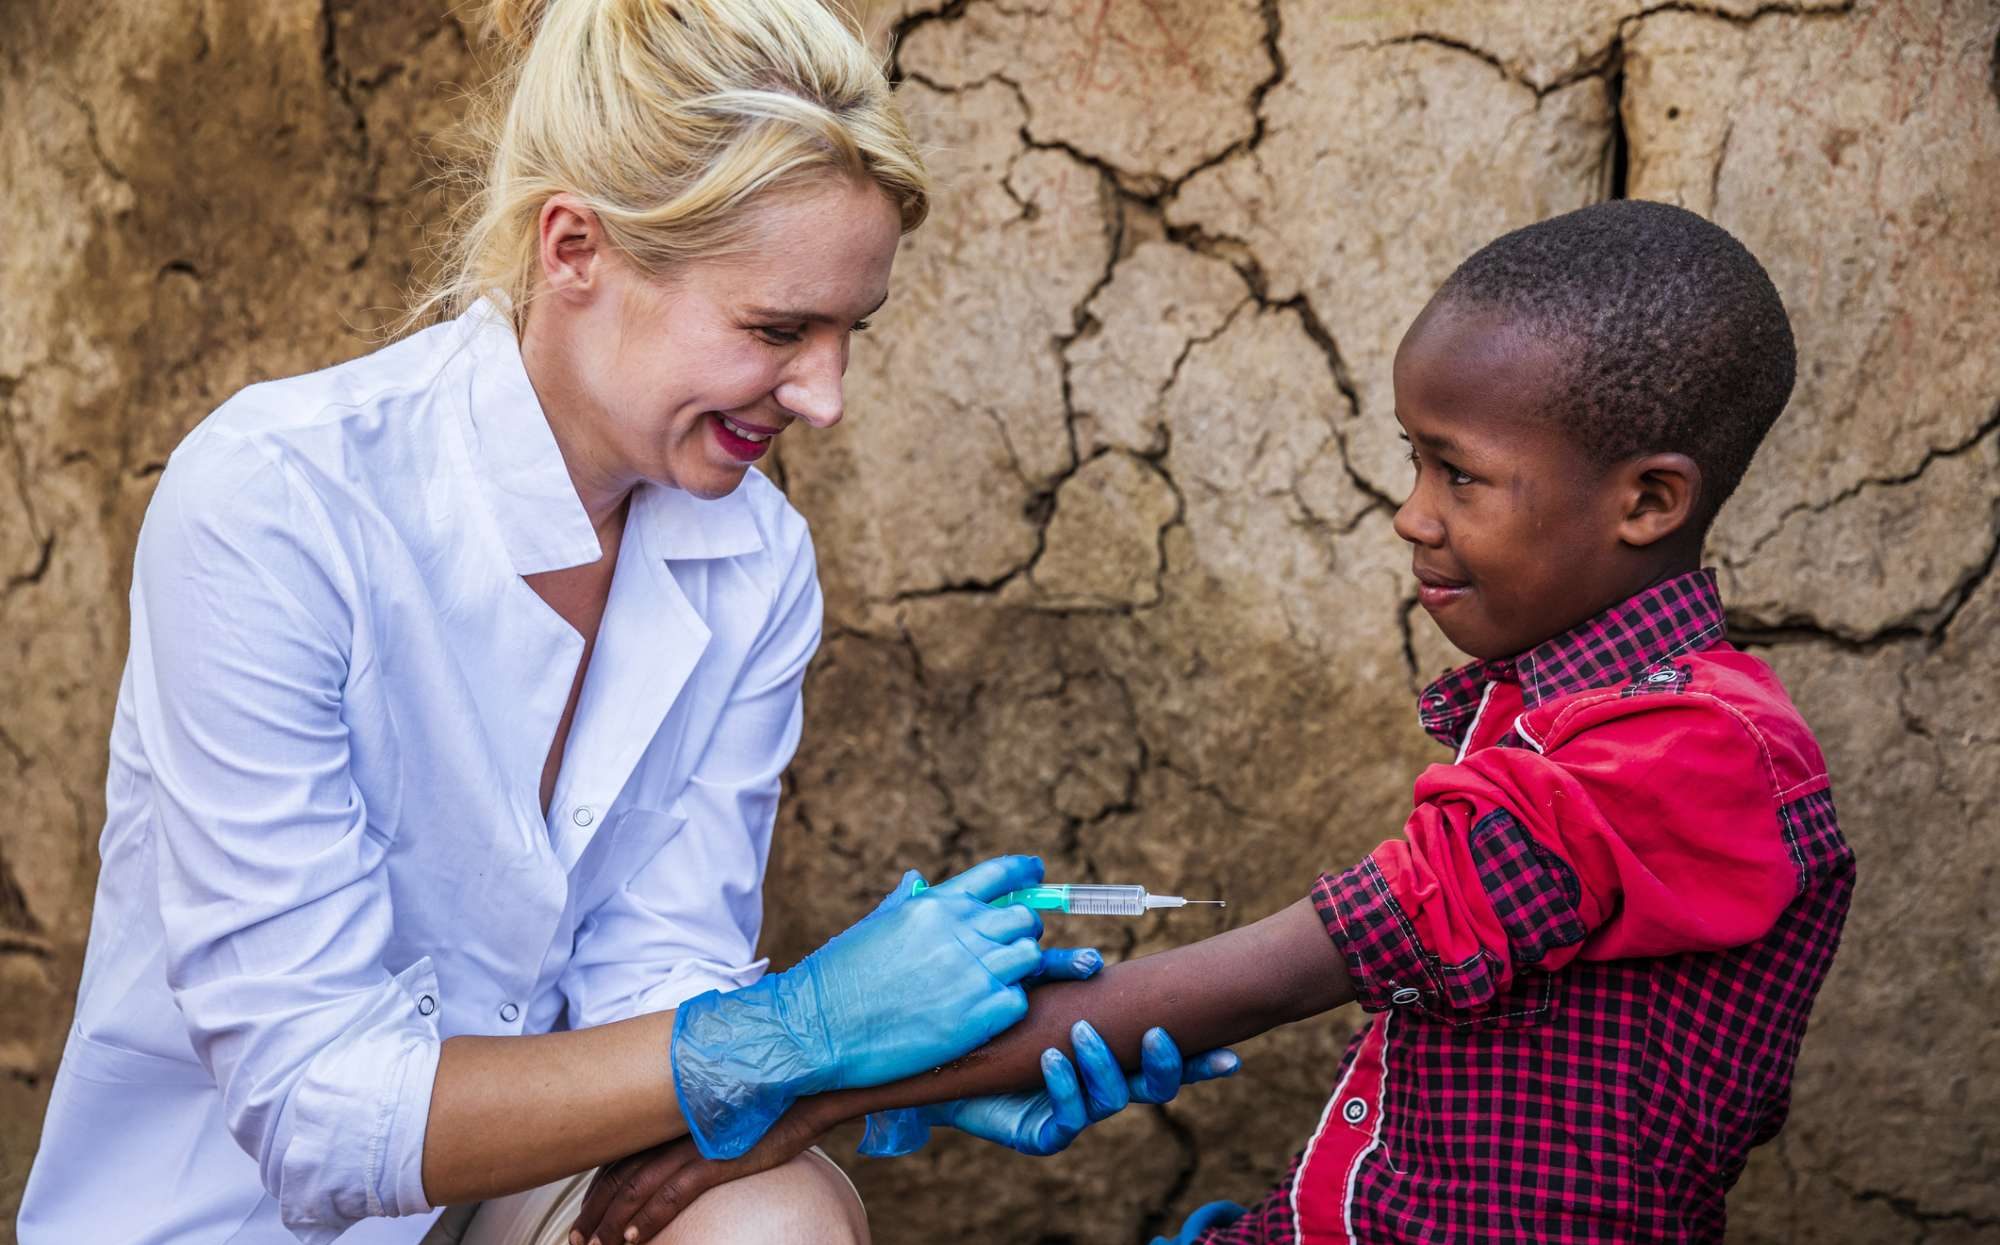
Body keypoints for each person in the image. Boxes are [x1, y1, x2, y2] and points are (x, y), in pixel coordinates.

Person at [16, 2, 1233, 1242]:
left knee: (769, 1223)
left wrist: (912, 1062)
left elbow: (657, 990)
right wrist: (808, 1027)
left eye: (846, 333)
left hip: (529, 1186)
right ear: (575, 249)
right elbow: (317, 1113)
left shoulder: (751, 558)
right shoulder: (281, 502)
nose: (824, 397)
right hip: (236, 1218)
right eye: (775, 329)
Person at [567, 200, 1856, 1245]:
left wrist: (818, 1087)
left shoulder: (1674, 761)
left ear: (1645, 502)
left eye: (1456, 473)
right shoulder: (1562, 718)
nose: (1411, 512)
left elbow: (1280, 971)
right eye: (1412, 461)